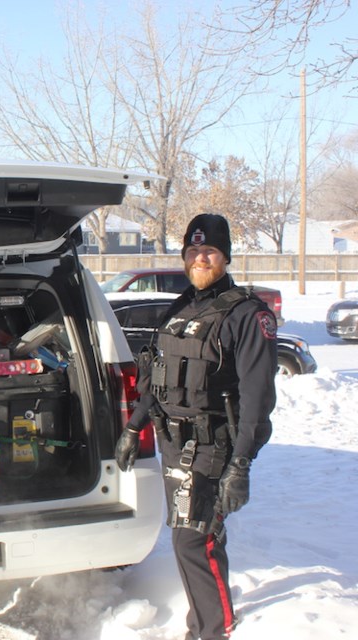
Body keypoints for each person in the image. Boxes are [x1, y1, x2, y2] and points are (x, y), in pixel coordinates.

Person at [115, 213, 277, 640]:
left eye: (209, 251)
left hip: (214, 444)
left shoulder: (247, 314)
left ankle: (212, 629)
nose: (200, 258)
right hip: (173, 441)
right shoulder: (181, 306)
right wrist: (133, 427)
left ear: (224, 256)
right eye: (193, 250)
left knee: (195, 539)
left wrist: (241, 465)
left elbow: (258, 399)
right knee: (189, 538)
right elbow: (159, 375)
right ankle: (204, 621)